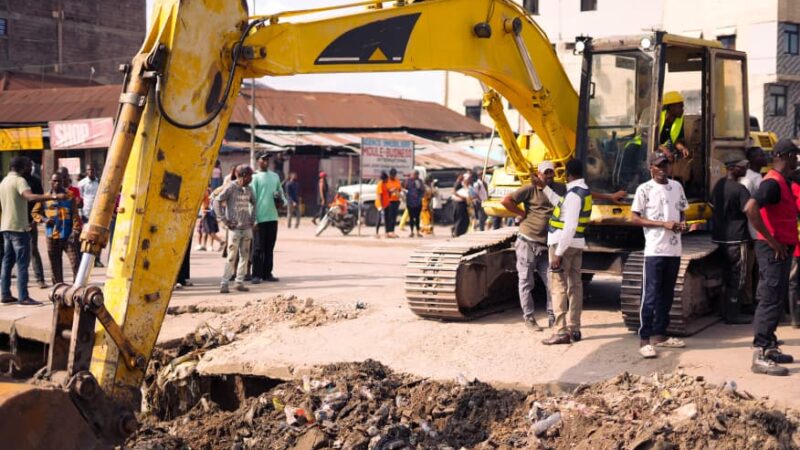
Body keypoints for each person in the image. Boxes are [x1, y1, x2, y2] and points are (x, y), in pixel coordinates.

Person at [743, 139, 799, 376]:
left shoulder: (782, 182)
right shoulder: (772, 183)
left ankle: (770, 346)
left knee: (776, 298)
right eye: (795, 156)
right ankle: (761, 351)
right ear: (786, 156)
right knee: (769, 298)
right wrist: (771, 239)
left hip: (781, 248)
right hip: (772, 248)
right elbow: (750, 208)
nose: (797, 160)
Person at [630, 151, 689, 359]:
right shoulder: (644, 189)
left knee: (668, 294)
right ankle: (644, 339)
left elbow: (682, 210)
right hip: (654, 250)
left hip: (674, 250)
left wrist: (681, 223)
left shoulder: (677, 187)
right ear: (651, 168)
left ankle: (660, 335)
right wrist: (663, 224)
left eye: (666, 165)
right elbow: (635, 218)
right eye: (659, 165)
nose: (664, 169)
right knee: (650, 295)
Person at [501, 161, 563, 331]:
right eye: (546, 172)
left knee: (552, 283)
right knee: (526, 282)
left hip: (547, 245)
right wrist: (522, 213)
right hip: (528, 242)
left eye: (552, 172)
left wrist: (609, 197)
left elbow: (582, 192)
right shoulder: (529, 189)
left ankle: (552, 316)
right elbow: (505, 201)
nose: (549, 175)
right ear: (539, 173)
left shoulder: (559, 188)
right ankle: (529, 318)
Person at [538, 160, 592, 344]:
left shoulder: (574, 195)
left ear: (567, 174)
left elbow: (569, 227)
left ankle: (561, 331)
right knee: (575, 286)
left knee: (559, 287)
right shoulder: (581, 192)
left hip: (563, 245)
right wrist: (544, 188)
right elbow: (559, 203)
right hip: (576, 245)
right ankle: (574, 329)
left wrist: (558, 253)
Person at [0, 156, 66, 305]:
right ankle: (23, 297)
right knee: (22, 264)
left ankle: (5, 294)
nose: (29, 168)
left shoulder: (4, 182)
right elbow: (29, 197)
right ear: (22, 167)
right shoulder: (20, 181)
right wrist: (53, 196)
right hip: (19, 227)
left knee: (7, 262)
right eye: (27, 165)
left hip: (6, 227)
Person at [710, 157, 753, 324]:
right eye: (743, 166)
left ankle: (724, 311)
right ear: (734, 168)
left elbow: (713, 206)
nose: (745, 169)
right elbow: (750, 211)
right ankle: (733, 314)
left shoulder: (719, 185)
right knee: (737, 278)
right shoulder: (740, 189)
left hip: (720, 238)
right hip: (737, 238)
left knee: (726, 275)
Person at [31, 173, 82, 284]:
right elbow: (34, 213)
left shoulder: (69, 195)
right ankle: (59, 289)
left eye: (59, 181)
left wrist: (75, 230)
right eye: (54, 181)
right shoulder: (45, 197)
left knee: (75, 262)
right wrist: (44, 220)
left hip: (68, 235)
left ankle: (77, 287)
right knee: (55, 264)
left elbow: (75, 214)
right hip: (51, 235)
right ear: (50, 182)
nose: (57, 183)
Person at [213, 165, 256, 294]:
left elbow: (254, 203)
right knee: (231, 256)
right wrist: (224, 220)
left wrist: (252, 219)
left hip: (246, 228)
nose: (251, 178)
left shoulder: (248, 189)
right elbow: (216, 201)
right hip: (235, 229)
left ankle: (239, 282)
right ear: (243, 175)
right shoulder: (231, 187)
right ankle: (224, 283)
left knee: (245, 256)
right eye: (249, 176)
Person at [251, 152, 285, 283]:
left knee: (269, 247)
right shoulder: (255, 177)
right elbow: (252, 199)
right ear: (257, 160)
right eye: (263, 159)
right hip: (259, 218)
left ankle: (267, 273)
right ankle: (256, 275)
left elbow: (281, 193)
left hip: (272, 217)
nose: (266, 162)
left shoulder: (275, 176)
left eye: (267, 160)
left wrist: (282, 202)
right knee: (258, 248)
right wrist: (253, 218)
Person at [741, 145, 767, 312]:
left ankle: (757, 299)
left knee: (759, 270)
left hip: (761, 232)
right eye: (760, 155)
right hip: (753, 232)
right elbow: (746, 208)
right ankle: (747, 302)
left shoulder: (760, 177)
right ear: (751, 160)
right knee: (749, 270)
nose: (764, 157)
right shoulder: (748, 180)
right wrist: (749, 234)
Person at [23, 164, 46, 288]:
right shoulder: (18, 182)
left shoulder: (35, 181)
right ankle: (23, 280)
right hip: (18, 222)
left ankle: (40, 279)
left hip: (31, 220)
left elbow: (40, 201)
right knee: (19, 252)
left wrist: (35, 220)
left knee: (33, 250)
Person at [78, 164, 103, 268]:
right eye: (89, 170)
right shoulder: (82, 184)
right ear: (86, 171)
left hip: (98, 213)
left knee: (97, 237)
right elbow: (79, 200)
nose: (91, 172)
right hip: (86, 213)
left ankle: (97, 259)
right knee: (86, 237)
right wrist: (80, 213)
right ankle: (84, 260)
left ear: (96, 171)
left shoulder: (100, 182)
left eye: (92, 170)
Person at [658, 91, 687, 159]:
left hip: (665, 149)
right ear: (671, 107)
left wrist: (682, 148)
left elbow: (675, 140)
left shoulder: (679, 120)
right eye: (680, 107)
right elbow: (648, 140)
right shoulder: (657, 118)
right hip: (648, 150)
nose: (683, 110)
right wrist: (663, 149)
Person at [404, 170, 424, 238]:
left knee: (417, 217)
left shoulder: (419, 181)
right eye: (413, 174)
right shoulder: (408, 181)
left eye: (416, 174)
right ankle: (412, 232)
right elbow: (404, 189)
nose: (414, 176)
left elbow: (422, 190)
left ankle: (418, 232)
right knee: (411, 217)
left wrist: (420, 197)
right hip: (410, 202)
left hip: (418, 202)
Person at [451, 173, 471, 237]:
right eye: (461, 176)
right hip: (458, 203)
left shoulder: (461, 184)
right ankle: (456, 232)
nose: (462, 177)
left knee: (464, 219)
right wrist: (463, 197)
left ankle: (457, 231)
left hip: (461, 203)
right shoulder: (457, 184)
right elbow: (454, 192)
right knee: (460, 219)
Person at [384, 168, 402, 238]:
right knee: (388, 217)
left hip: (396, 201)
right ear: (390, 174)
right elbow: (384, 191)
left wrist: (397, 191)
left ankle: (392, 231)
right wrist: (391, 190)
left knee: (394, 217)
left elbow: (399, 189)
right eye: (392, 175)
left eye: (394, 175)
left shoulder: (397, 181)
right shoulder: (386, 181)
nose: (393, 176)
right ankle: (387, 232)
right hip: (388, 201)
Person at [375, 171, 390, 237]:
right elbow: (380, 196)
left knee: (386, 218)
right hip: (380, 205)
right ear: (384, 179)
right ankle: (377, 233)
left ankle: (386, 233)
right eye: (387, 179)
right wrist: (381, 206)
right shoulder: (380, 184)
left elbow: (386, 193)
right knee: (379, 219)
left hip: (385, 204)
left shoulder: (384, 184)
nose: (388, 180)